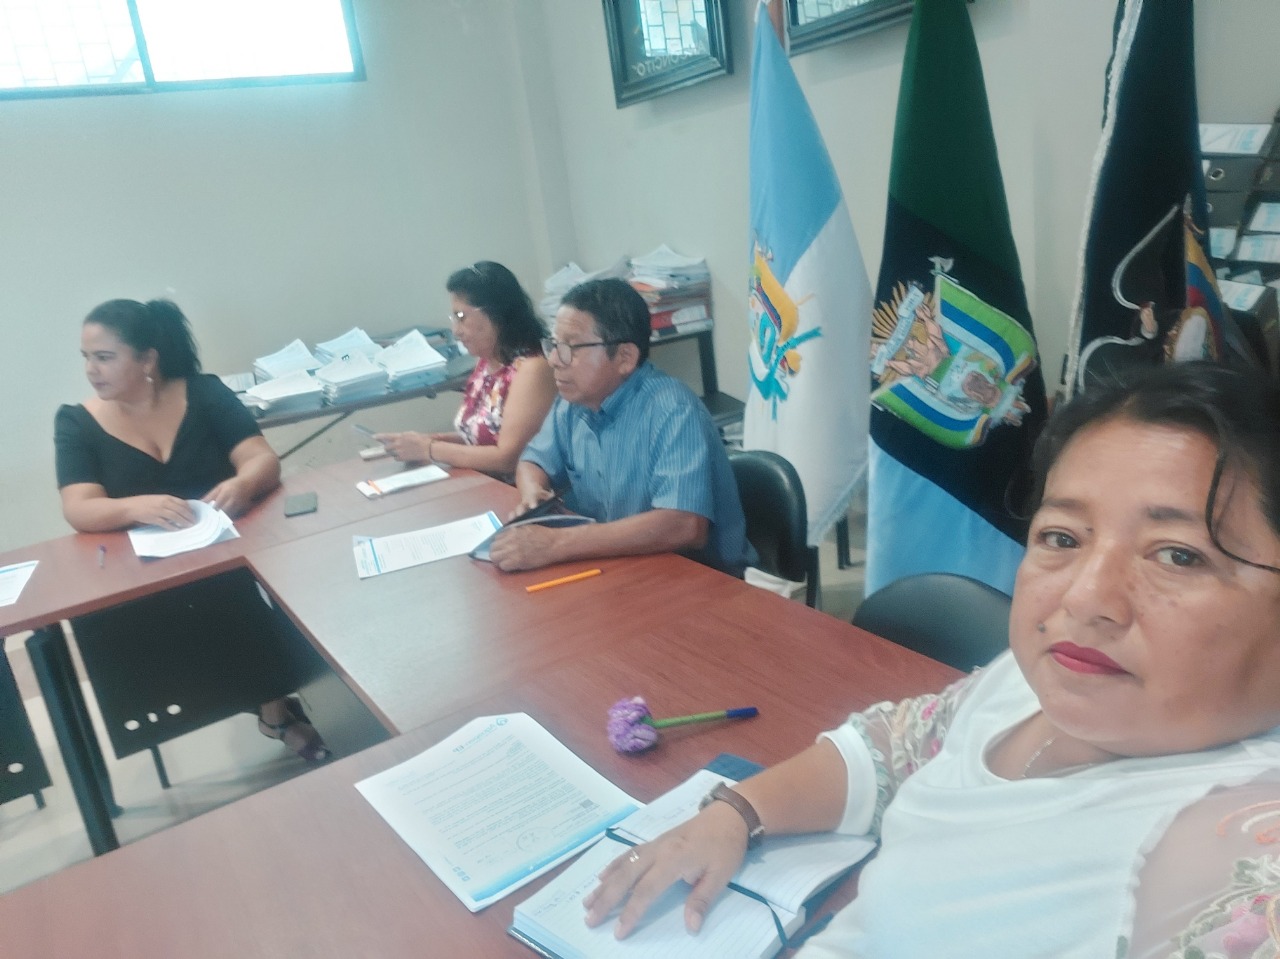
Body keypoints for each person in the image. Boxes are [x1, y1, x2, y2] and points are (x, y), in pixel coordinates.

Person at [583, 361, 1280, 958]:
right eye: (1063, 537)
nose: (1085, 596)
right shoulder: (1035, 682)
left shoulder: (1240, 849)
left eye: (1178, 555)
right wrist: (735, 812)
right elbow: (891, 747)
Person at [54, 298, 329, 763]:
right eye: (86, 358)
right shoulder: (77, 422)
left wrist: (242, 484)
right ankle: (264, 702)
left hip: (227, 554)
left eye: (104, 357)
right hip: (145, 573)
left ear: (147, 360)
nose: (91, 370)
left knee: (264, 595)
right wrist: (134, 506)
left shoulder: (204, 393)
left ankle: (274, 709)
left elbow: (260, 459)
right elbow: (78, 508)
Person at [488, 277, 756, 576]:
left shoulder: (674, 411)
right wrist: (533, 493)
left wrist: (556, 543)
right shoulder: (573, 403)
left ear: (625, 357)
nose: (553, 360)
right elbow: (533, 461)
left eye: (570, 347)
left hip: (700, 578)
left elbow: (684, 525)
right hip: (621, 564)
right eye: (553, 344)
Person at [375, 261, 556, 478]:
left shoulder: (532, 369)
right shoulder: (486, 361)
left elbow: (507, 459)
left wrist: (430, 449)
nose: (456, 331)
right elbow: (478, 436)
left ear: (495, 314)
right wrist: (421, 442)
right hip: (482, 481)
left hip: (518, 488)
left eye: (461, 317)